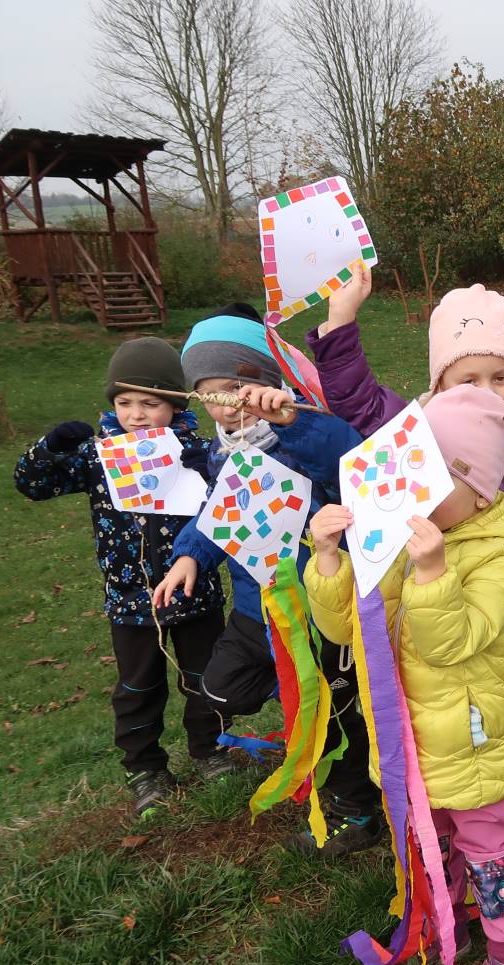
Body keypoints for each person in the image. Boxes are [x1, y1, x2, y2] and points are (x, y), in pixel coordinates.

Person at [304, 265, 504, 845]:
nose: (485, 392)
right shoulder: (418, 437)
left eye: (499, 378)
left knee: (495, 731)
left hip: (502, 624)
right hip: (420, 624)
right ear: (439, 380)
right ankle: (448, 835)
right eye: (467, 379)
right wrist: (340, 321)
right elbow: (358, 399)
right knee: (443, 730)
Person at [305, 384, 504, 965]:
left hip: (474, 745)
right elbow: (347, 628)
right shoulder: (396, 534)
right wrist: (328, 559)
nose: (417, 491)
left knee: (491, 854)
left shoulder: (500, 550)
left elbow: (450, 642)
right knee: (428, 838)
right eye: (414, 473)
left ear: (481, 492)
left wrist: (430, 572)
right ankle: (440, 917)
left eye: (435, 479)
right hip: (409, 739)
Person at [151, 303, 381, 856]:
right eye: (208, 394)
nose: (225, 405)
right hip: (257, 610)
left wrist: (291, 422)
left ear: (266, 382)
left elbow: (349, 458)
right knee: (219, 690)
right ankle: (304, 702)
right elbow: (219, 510)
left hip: (316, 611)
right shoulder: (221, 452)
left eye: (234, 388)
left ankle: (356, 812)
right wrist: (190, 555)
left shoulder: (299, 432)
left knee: (331, 717)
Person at [13, 337, 227, 818]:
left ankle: (212, 750)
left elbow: (235, 496)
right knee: (138, 686)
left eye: (150, 403)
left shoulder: (194, 450)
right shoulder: (98, 456)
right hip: (131, 601)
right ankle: (145, 769)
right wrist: (49, 449)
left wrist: (212, 468)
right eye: (125, 402)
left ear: (175, 405)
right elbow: (33, 485)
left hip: (195, 591)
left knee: (205, 677)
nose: (136, 414)